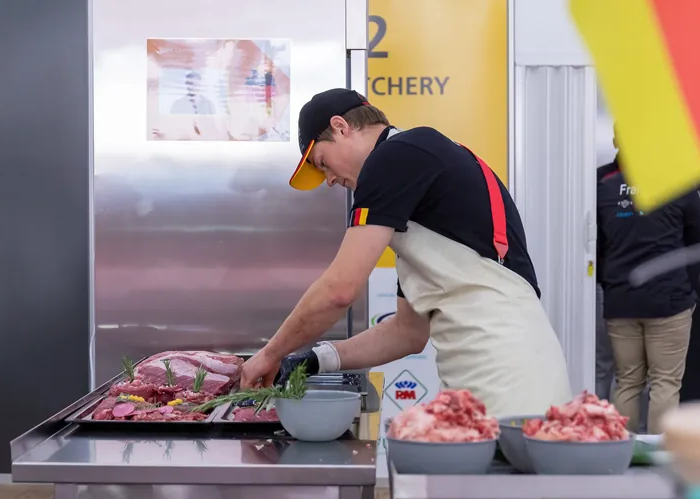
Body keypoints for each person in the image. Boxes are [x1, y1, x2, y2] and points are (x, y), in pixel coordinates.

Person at [240, 88, 573, 417]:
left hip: (508, 378)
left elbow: (339, 290)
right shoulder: (414, 186)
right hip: (488, 374)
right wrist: (315, 359)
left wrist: (270, 354)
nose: (328, 180)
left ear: (341, 127)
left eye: (323, 163)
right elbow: (407, 334)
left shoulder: (395, 156)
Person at [596, 125, 700, 434]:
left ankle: (624, 450)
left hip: (620, 298)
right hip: (668, 300)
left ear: (619, 140)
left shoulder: (602, 183)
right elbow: (699, 237)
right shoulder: (676, 183)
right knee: (665, 382)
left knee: (628, 380)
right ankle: (659, 456)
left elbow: (595, 241)